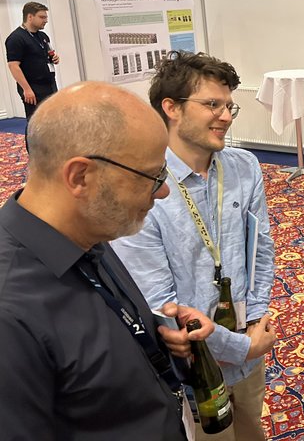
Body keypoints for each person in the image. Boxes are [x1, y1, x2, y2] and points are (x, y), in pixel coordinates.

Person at [0, 81, 216, 440]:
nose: (164, 191)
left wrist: (160, 334)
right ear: (81, 177)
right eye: (153, 177)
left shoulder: (87, 229)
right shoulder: (11, 315)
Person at [112, 51, 276, 441]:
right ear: (172, 108)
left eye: (229, 106)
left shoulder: (244, 167)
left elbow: (261, 251)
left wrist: (255, 325)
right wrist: (240, 347)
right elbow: (160, 305)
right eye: (212, 105)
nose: (226, 116)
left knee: (251, 431)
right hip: (193, 370)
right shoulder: (143, 185)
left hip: (250, 352)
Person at [5, 1, 60, 121]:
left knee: (52, 120)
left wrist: (54, 58)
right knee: (36, 122)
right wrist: (27, 89)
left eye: (46, 17)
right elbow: (13, 66)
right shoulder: (16, 38)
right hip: (33, 87)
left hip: (49, 83)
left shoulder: (43, 36)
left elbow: (47, 55)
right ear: (30, 17)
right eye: (42, 17)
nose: (46, 20)